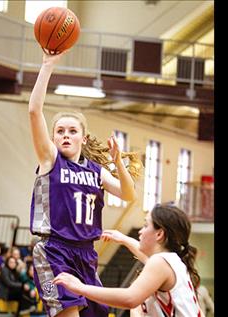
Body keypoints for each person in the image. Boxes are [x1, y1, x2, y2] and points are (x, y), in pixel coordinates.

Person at [28, 50, 142, 317]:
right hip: (54, 250)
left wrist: (118, 162)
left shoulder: (96, 171)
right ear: (53, 138)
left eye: (72, 131)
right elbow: (34, 111)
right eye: (60, 131)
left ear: (84, 137)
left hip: (86, 255)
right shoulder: (50, 159)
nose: (65, 136)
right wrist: (47, 66)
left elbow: (129, 195)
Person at [53, 203, 203, 317]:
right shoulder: (171, 260)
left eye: (145, 225)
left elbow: (130, 298)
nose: (140, 231)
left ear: (159, 234)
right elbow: (144, 255)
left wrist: (80, 287)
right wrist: (123, 239)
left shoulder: (160, 262)